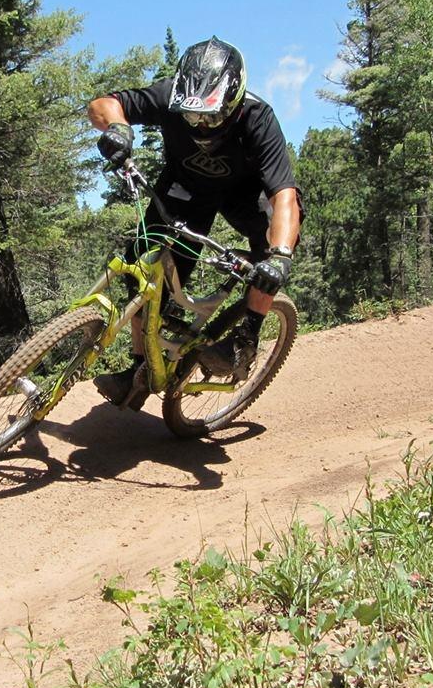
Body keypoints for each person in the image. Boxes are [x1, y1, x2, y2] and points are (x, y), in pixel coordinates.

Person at [88, 35, 302, 409]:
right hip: (187, 190)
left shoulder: (257, 118)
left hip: (244, 195)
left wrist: (280, 256)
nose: (202, 126)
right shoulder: (171, 96)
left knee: (270, 253)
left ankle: (246, 338)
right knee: (140, 266)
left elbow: (283, 194)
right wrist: (118, 128)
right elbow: (104, 104)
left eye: (213, 117)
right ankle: (140, 370)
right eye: (192, 116)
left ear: (234, 105)